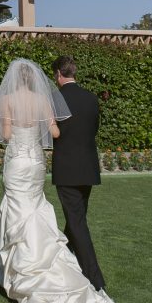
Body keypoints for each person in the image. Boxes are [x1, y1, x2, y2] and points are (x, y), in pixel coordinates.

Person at [0, 58, 133, 303]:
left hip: (18, 161)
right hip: (37, 163)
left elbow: (6, 134)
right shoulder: (46, 100)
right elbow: (54, 132)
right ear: (34, 78)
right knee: (37, 208)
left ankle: (22, 264)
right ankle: (53, 259)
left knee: (19, 209)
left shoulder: (7, 99)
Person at [51, 54, 105, 290]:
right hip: (88, 167)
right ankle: (63, 261)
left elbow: (52, 133)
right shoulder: (91, 98)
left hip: (67, 168)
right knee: (76, 220)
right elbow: (94, 129)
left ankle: (95, 279)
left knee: (77, 223)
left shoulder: (55, 99)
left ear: (58, 74)